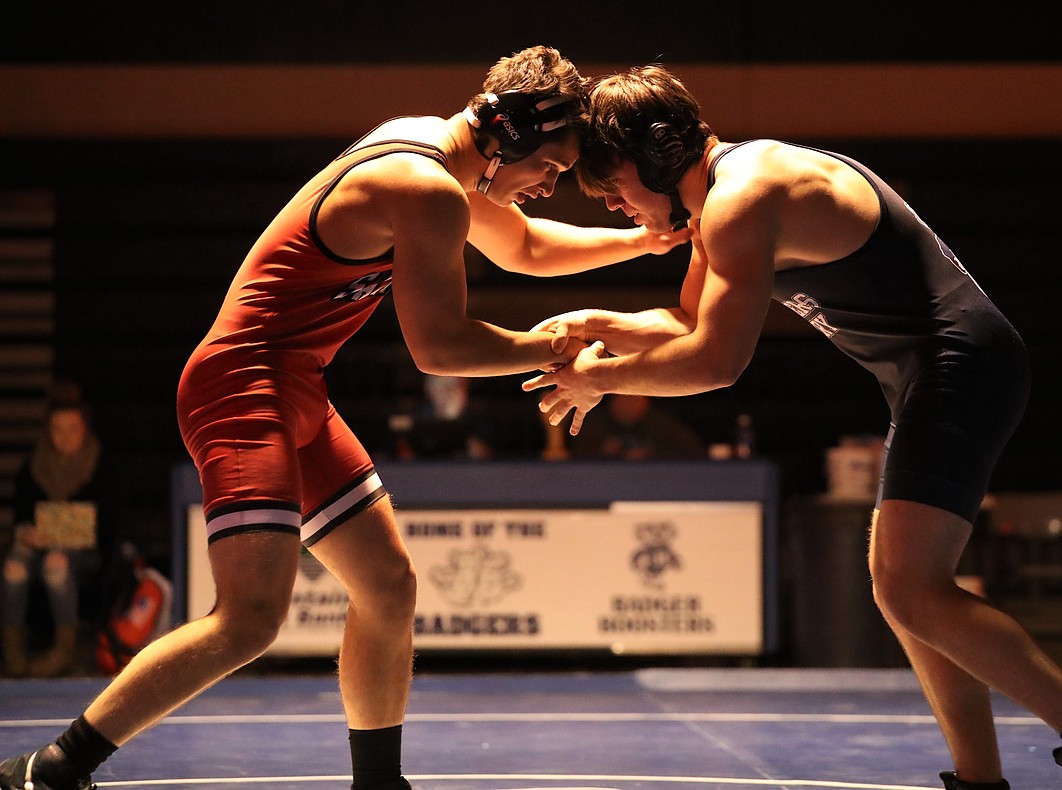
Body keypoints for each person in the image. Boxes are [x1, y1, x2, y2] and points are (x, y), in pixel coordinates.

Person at [0, 46, 688, 790]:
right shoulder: (425, 189)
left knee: (388, 586)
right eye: (549, 169)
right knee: (249, 619)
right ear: (509, 136)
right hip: (242, 387)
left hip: (293, 387)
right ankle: (55, 767)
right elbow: (439, 347)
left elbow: (520, 249)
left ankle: (379, 783)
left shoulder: (434, 152)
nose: (549, 189)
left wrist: (640, 240)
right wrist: (554, 345)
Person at [522, 65, 1062, 790]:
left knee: (907, 588)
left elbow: (717, 361)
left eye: (615, 190)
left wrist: (599, 378)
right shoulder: (719, 202)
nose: (617, 209)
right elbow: (687, 322)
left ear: (660, 157)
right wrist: (597, 324)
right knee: (908, 590)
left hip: (960, 367)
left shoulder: (744, 197)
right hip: (935, 374)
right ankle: (984, 778)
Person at [2, 381, 115, 679]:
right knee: (13, 568)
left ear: (85, 429)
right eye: (57, 429)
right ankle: (12, 653)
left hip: (83, 553)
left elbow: (103, 522)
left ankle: (65, 651)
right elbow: (22, 516)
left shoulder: (99, 464)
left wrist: (54, 530)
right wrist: (26, 532)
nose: (65, 438)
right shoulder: (34, 466)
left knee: (56, 564)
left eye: (72, 429)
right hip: (35, 546)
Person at [568, 393, 705, 459]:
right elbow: (576, 453)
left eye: (634, 398)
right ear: (613, 401)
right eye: (623, 398)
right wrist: (604, 450)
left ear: (646, 401)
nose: (629, 403)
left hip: (655, 483)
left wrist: (652, 453)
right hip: (604, 482)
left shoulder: (660, 423)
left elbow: (692, 449)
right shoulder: (595, 422)